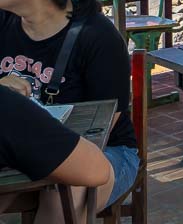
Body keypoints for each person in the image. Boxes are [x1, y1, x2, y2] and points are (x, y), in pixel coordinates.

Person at [0, 0, 139, 214]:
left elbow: (103, 128)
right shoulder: (4, 21)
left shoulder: (97, 37)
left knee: (62, 192)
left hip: (104, 151)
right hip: (27, 145)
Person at [0, 87, 115, 223]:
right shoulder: (8, 106)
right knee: (70, 188)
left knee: (67, 190)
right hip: (68, 151)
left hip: (102, 146)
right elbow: (96, 169)